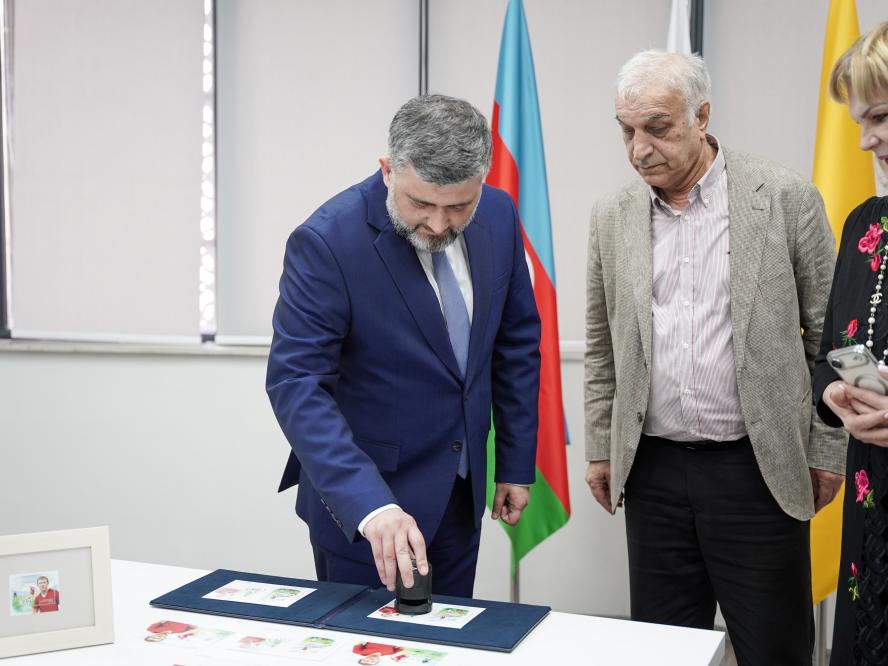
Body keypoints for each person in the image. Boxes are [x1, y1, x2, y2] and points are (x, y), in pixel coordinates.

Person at [584, 50, 846, 665]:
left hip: (756, 470)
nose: (639, 150)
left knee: (774, 649)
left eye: (657, 128)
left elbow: (830, 336)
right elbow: (602, 342)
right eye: (626, 131)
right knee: (664, 650)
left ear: (701, 117)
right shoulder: (612, 215)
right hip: (652, 471)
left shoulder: (783, 197)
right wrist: (601, 444)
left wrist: (828, 449)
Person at [266, 94, 541, 598]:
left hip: (460, 496)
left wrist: (515, 462)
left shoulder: (499, 214)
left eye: (458, 207)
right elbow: (297, 384)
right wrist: (370, 505)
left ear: (482, 182)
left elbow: (516, 342)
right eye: (421, 204)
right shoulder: (328, 242)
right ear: (388, 170)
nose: (438, 225)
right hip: (367, 512)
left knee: (451, 636)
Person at [814, 21, 888, 666]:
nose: (866, 141)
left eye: (881, 117)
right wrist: (836, 395)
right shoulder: (865, 224)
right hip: (873, 501)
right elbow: (828, 356)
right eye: (861, 121)